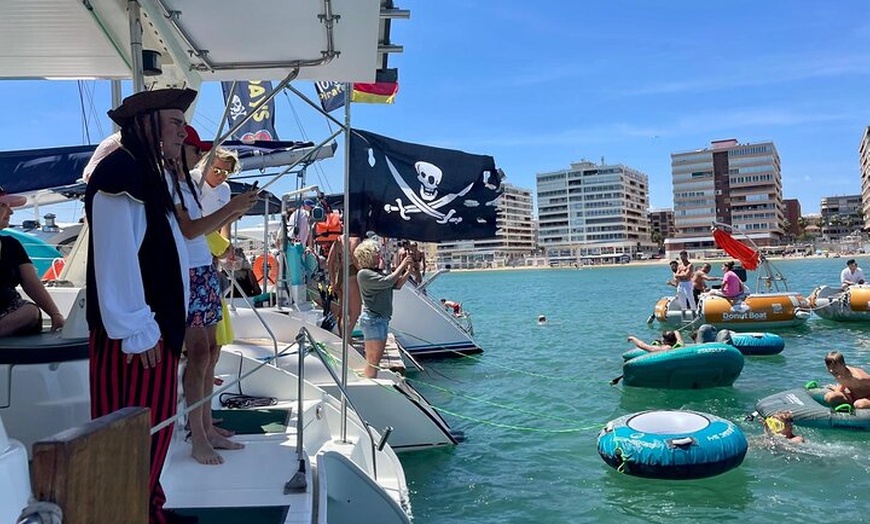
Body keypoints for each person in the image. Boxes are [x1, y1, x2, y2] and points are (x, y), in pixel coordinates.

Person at [85, 88, 198, 523]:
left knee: (153, 433)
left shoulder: (142, 173)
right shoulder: (120, 173)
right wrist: (137, 327)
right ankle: (130, 514)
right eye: (174, 123)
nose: (182, 133)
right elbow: (116, 260)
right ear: (145, 124)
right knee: (132, 438)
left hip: (149, 335)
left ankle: (150, 510)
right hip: (135, 341)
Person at [166, 136, 257, 465]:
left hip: (203, 267)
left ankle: (206, 427)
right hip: (187, 271)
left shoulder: (187, 186)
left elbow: (205, 230)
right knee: (200, 355)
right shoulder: (179, 184)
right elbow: (189, 230)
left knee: (209, 352)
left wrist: (234, 212)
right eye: (197, 151)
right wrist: (232, 209)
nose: (200, 157)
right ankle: (198, 437)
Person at [0, 189, 65, 336]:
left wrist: (55, 314)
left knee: (29, 312)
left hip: (9, 312)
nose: (11, 212)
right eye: (4, 205)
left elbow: (31, 282)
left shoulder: (11, 245)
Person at [355, 239, 413, 378]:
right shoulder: (364, 274)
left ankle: (370, 379)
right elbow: (389, 281)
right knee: (373, 361)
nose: (379, 256)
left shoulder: (376, 272)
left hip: (380, 320)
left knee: (374, 359)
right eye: (376, 254)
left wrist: (408, 271)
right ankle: (370, 383)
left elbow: (396, 285)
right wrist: (402, 265)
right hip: (373, 320)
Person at [327, 235, 362, 337]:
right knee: (354, 313)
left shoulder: (338, 240)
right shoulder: (356, 240)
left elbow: (329, 261)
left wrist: (333, 281)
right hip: (351, 274)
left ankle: (344, 338)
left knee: (343, 312)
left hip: (340, 276)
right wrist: (365, 273)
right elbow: (355, 260)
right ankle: (346, 340)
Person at [674, 250, 696, 315]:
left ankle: (694, 312)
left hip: (687, 283)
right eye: (681, 257)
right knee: (681, 299)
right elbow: (676, 275)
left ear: (686, 256)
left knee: (690, 298)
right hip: (680, 284)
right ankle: (683, 313)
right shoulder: (680, 266)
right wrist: (681, 275)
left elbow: (686, 275)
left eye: (683, 257)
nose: (682, 259)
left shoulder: (690, 265)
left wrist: (680, 275)